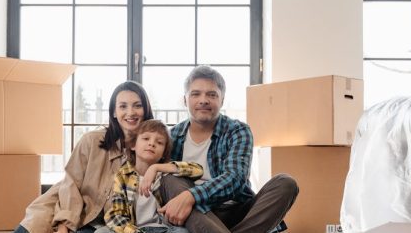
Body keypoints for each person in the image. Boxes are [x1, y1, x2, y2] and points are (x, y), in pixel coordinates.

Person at [156, 66, 299, 233]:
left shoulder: (237, 130)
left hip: (236, 209)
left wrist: (192, 196)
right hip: (197, 215)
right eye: (196, 94)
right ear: (185, 100)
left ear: (222, 100)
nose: (204, 100)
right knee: (170, 179)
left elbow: (235, 178)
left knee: (286, 183)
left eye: (212, 94)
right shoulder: (172, 136)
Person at [15, 81, 155, 233]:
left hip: (101, 224)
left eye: (137, 105)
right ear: (114, 112)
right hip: (64, 207)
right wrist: (64, 223)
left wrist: (156, 167)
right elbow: (71, 182)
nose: (130, 112)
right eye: (123, 106)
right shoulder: (92, 140)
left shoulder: (152, 149)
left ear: (146, 110)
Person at [98, 119, 202, 233]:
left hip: (162, 228)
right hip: (133, 228)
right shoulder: (122, 176)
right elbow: (115, 215)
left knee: (182, 232)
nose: (152, 143)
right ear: (133, 145)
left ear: (163, 153)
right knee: (101, 232)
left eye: (159, 142)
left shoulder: (164, 173)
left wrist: (156, 168)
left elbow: (198, 170)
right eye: (146, 138)